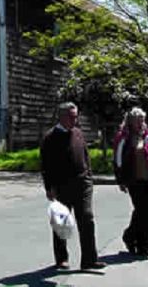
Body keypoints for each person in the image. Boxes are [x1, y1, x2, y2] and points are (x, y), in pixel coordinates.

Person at [40, 102, 106, 271]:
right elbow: (46, 166)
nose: (74, 120)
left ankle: (89, 260)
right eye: (71, 117)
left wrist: (89, 176)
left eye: (75, 116)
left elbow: (85, 155)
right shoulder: (50, 138)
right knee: (61, 223)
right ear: (61, 117)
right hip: (62, 186)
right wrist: (49, 187)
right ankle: (61, 259)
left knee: (87, 218)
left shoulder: (78, 133)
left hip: (82, 184)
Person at [112, 107, 148, 256]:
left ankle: (144, 244)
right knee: (141, 211)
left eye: (142, 120)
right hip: (133, 180)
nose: (140, 123)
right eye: (137, 120)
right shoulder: (124, 138)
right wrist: (120, 180)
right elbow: (117, 160)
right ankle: (130, 236)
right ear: (130, 122)